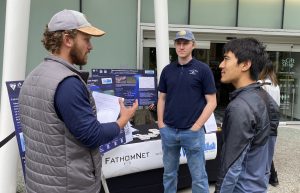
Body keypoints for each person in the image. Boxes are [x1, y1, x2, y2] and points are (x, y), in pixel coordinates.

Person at [18, 9, 138, 193]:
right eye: (86, 39)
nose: (91, 47)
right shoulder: (68, 84)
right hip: (70, 186)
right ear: (67, 39)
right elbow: (93, 136)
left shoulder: (32, 76)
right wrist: (124, 118)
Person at [215, 38, 280, 193]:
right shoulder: (267, 99)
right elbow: (268, 152)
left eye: (226, 59)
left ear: (245, 64)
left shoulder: (240, 107)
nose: (221, 65)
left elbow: (231, 166)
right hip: (258, 186)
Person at [157, 29, 217, 193]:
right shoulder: (167, 70)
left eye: (185, 43)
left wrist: (197, 126)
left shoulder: (203, 70)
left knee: (198, 177)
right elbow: (161, 98)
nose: (181, 46)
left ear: (193, 45)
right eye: (178, 43)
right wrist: (161, 124)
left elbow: (212, 102)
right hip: (169, 130)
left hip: (192, 132)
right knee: (169, 174)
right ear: (175, 45)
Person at [258, 61, 280, 187]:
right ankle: (271, 177)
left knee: (261, 149)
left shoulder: (261, 84)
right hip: (274, 120)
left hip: (264, 120)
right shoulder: (276, 85)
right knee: (269, 150)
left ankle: (266, 177)